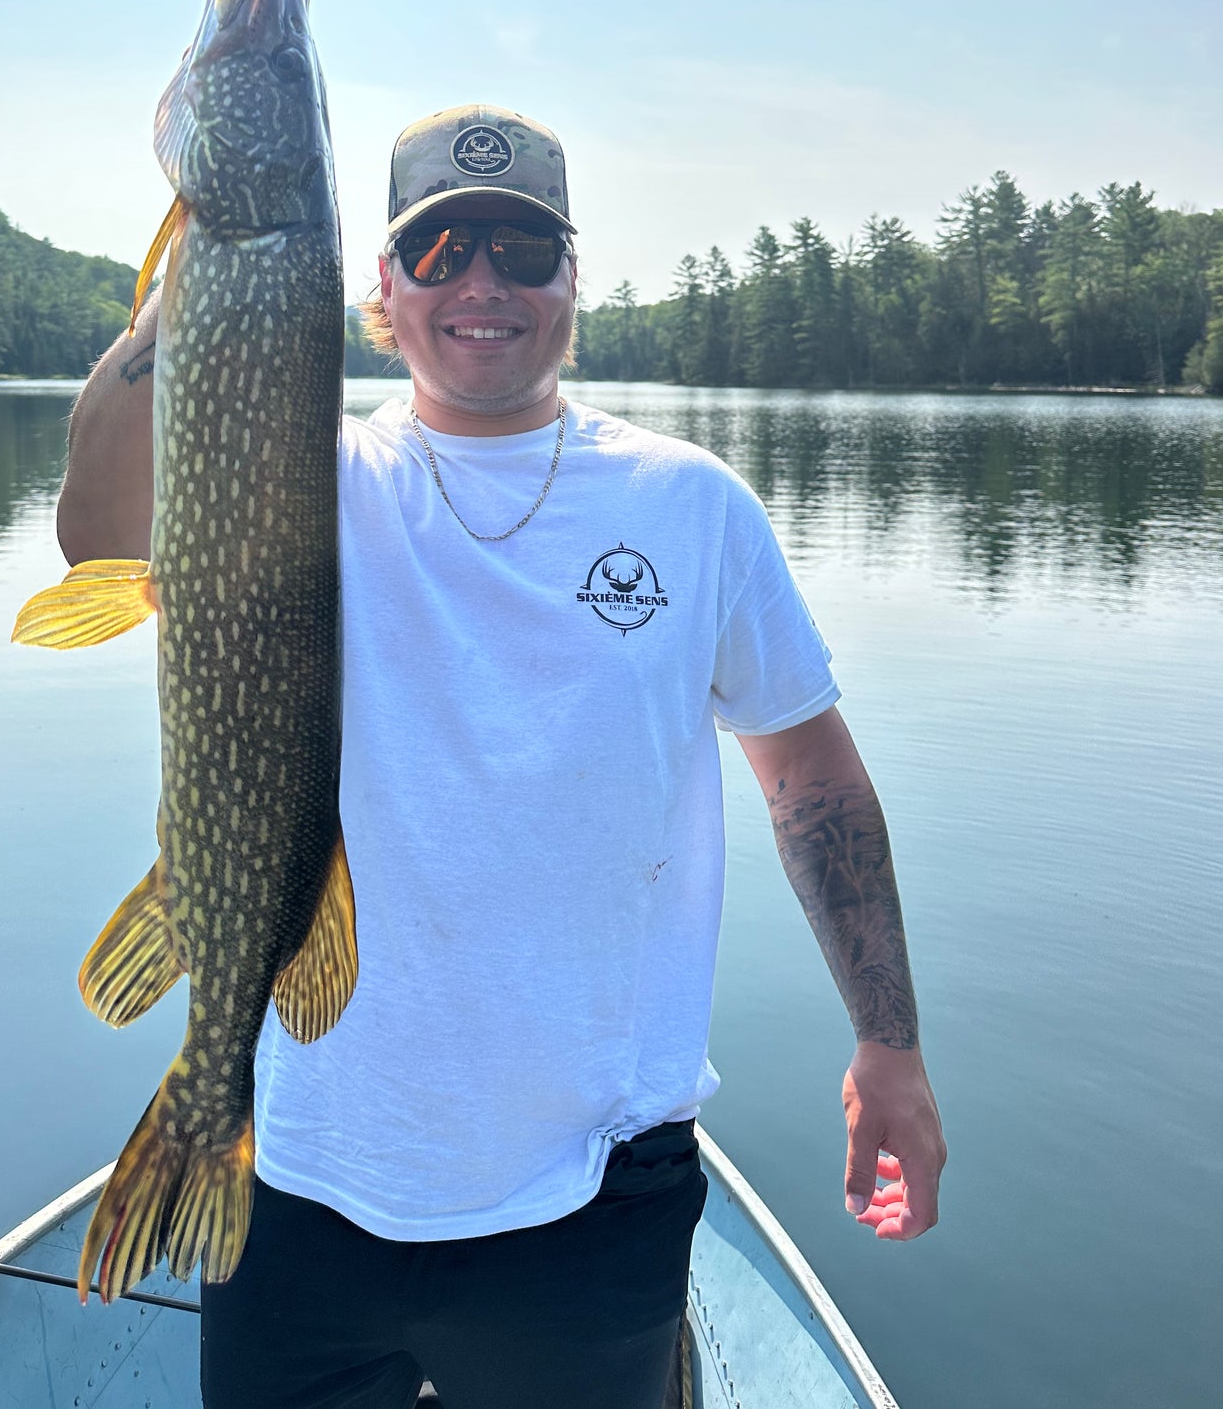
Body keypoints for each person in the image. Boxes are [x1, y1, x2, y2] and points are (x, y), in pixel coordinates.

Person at [56, 102, 946, 1409]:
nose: (483, 282)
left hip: (593, 1200)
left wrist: (889, 1044)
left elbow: (809, 781)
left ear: (572, 279)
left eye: (523, 252)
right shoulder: (305, 480)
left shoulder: (689, 506)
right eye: (441, 249)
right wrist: (195, 289)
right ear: (383, 288)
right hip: (303, 1181)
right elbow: (96, 543)